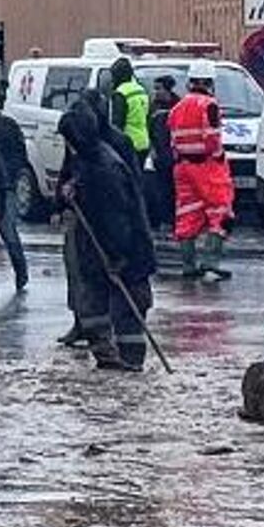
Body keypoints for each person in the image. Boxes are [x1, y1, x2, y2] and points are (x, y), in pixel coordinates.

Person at [58, 97, 157, 371]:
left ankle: (130, 363)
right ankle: (107, 359)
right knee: (93, 306)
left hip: (125, 253)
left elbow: (118, 219)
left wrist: (118, 257)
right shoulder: (86, 160)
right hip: (98, 251)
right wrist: (71, 193)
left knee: (128, 311)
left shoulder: (105, 167)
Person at [168, 64, 233, 282]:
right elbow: (212, 139)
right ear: (210, 83)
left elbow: (173, 140)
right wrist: (219, 158)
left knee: (187, 214)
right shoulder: (209, 105)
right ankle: (210, 265)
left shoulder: (177, 108)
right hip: (207, 167)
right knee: (220, 212)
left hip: (182, 167)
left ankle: (188, 265)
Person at [0, 102, 31, 293]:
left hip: (0, 186)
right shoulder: (8, 125)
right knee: (9, 233)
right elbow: (21, 155)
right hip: (5, 185)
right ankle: (21, 273)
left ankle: (18, 273)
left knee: (4, 233)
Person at [145, 77, 179, 230]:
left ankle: (174, 220)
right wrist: (152, 149)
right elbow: (148, 129)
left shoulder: (178, 105)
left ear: (167, 89)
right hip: (159, 154)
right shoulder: (153, 107)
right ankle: (163, 220)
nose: (156, 92)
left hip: (174, 154)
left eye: (158, 88)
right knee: (161, 189)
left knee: (174, 189)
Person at [107, 56, 153, 167]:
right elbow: (148, 115)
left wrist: (113, 144)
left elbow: (117, 123)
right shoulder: (141, 89)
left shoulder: (120, 93)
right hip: (143, 142)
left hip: (127, 143)